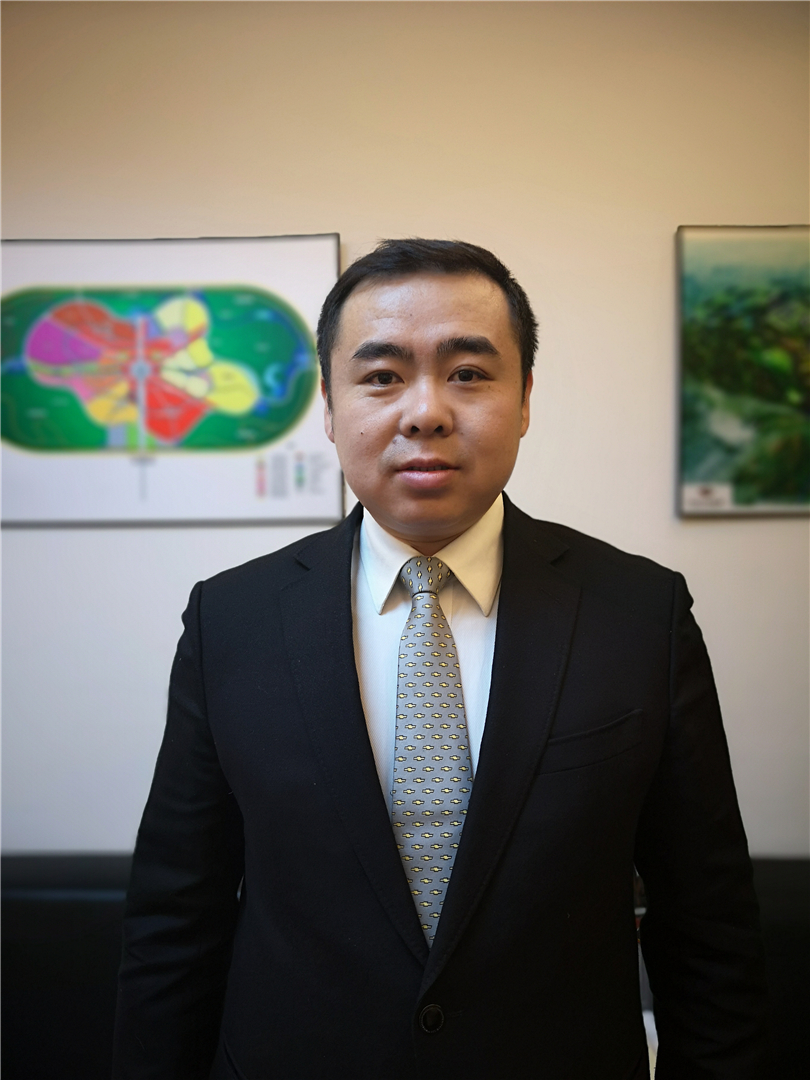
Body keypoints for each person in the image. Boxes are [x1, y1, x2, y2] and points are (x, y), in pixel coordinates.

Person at [113, 239, 769, 1080]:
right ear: (330, 406)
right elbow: (177, 916)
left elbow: (707, 923)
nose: (425, 412)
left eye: (467, 373)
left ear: (524, 400)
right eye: (382, 376)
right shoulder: (231, 620)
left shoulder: (640, 614)